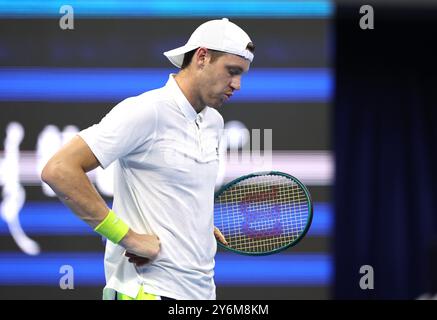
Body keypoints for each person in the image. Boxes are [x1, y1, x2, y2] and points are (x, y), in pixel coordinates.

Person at [41, 18, 254, 300]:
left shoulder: (213, 121)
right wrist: (127, 238)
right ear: (202, 57)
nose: (237, 84)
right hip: (145, 292)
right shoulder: (147, 111)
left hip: (200, 294)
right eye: (232, 71)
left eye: (242, 75)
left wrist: (195, 224)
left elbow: (172, 190)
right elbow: (59, 170)